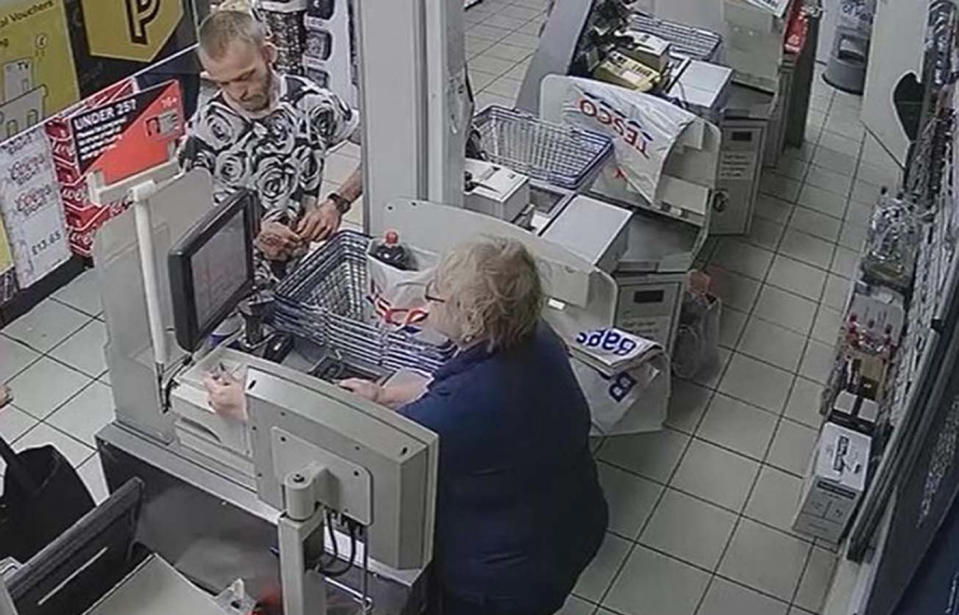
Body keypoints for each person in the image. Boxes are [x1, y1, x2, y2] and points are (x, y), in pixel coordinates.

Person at [339, 238, 610, 615]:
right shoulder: (530, 333)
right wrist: (382, 394)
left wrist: (251, 406)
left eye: (434, 295)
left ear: (471, 318)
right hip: (573, 519)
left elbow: (363, 449)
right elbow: (451, 383)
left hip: (506, 575)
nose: (426, 298)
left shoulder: (462, 409)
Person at [179, 9, 361, 282]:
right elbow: (187, 216)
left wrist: (337, 203)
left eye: (244, 76)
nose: (237, 92)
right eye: (223, 82)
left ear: (268, 54)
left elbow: (383, 149)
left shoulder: (311, 103)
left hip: (294, 273)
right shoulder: (204, 131)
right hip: (227, 284)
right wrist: (251, 231)